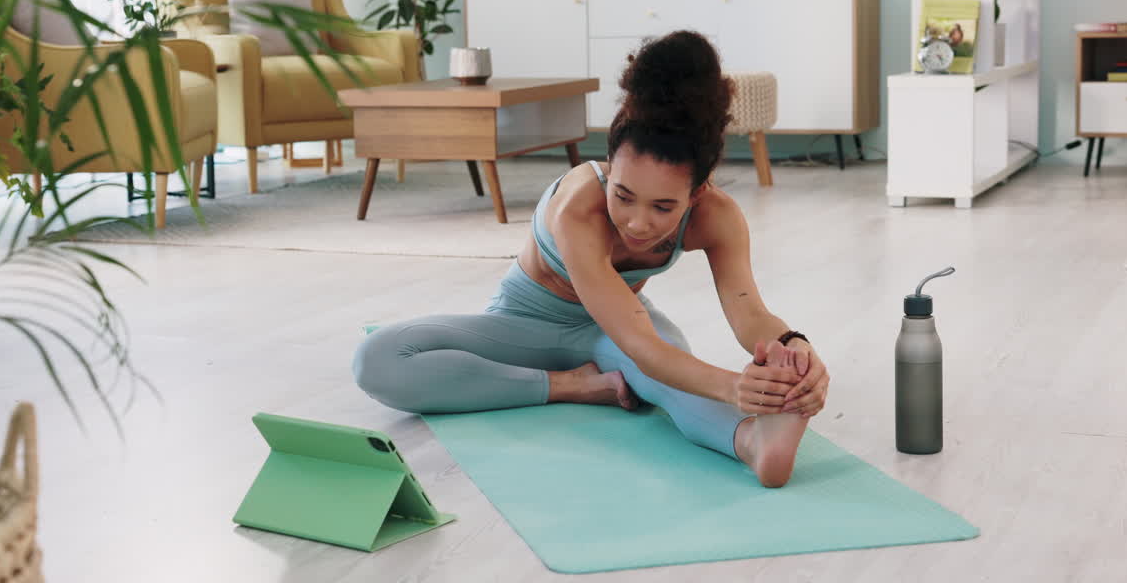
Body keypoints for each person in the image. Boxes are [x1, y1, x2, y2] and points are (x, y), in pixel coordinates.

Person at [353, 31, 830, 487]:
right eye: (623, 195)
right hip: (527, 325)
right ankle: (572, 385)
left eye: (663, 207)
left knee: (671, 378)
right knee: (378, 359)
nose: (638, 223)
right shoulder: (577, 206)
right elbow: (643, 348)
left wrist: (795, 350)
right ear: (609, 166)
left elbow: (748, 312)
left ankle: (753, 440)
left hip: (622, 329)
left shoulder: (718, 216)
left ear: (697, 191)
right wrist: (732, 386)